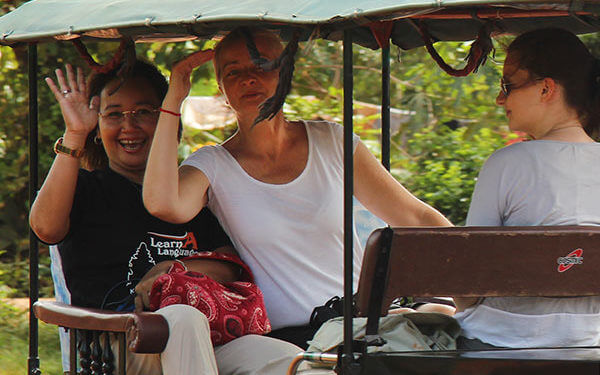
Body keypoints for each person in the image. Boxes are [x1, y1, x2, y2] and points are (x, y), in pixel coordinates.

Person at [143, 27, 453, 349]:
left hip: (364, 323)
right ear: (221, 86)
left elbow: (414, 217)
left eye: (262, 65)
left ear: (286, 71)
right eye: (234, 72)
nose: (249, 78)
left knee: (445, 318)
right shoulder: (213, 164)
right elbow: (164, 203)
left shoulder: (332, 142)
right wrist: (175, 93)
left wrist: (476, 277)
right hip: (292, 341)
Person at [29, 59, 300, 375]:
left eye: (144, 112)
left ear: (170, 123)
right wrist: (75, 133)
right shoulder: (87, 188)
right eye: (114, 114)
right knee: (179, 320)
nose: (129, 126)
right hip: (121, 342)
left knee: (285, 358)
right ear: (98, 130)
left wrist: (173, 269)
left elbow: (228, 267)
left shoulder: (185, 193)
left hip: (206, 339)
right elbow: (45, 228)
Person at [454, 28, 600, 349]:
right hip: (592, 340)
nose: (499, 99)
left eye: (507, 85)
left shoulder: (506, 163)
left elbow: (467, 286)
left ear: (546, 89)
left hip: (501, 338)